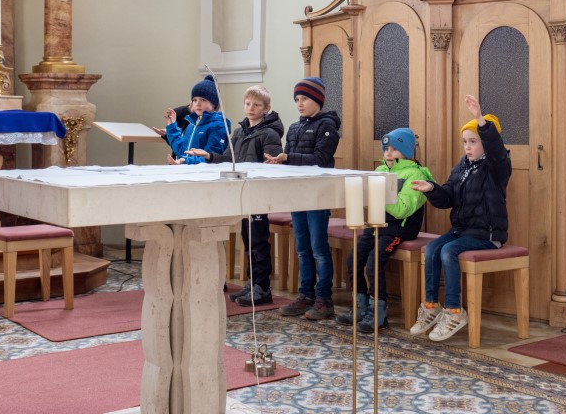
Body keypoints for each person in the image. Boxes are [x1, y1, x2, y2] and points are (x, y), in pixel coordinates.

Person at [409, 95, 511, 341]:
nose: (468, 147)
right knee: (432, 248)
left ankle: (455, 310)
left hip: (487, 235)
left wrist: (480, 120)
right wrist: (432, 189)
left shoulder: (497, 167)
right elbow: (448, 197)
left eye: (473, 141)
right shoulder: (462, 167)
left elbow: (496, 150)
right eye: (465, 142)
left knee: (448, 251)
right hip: (463, 231)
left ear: (486, 142)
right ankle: (431, 306)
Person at [185, 85, 284, 306]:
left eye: (256, 105)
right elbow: (229, 159)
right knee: (248, 240)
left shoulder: (270, 134)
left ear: (266, 108)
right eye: (247, 103)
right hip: (242, 194)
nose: (251, 108)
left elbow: (274, 162)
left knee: (258, 241)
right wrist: (209, 156)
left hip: (258, 194)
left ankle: (262, 287)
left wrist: (273, 162)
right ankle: (251, 283)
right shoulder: (239, 133)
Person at [335, 127, 434, 332]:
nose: (388, 153)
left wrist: (377, 195)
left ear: (406, 151)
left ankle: (378, 312)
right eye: (386, 149)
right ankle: (360, 306)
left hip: (398, 229)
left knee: (373, 263)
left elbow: (402, 210)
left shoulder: (415, 174)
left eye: (394, 149)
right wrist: (361, 197)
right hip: (375, 226)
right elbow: (370, 204)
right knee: (353, 259)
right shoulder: (380, 170)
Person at [265, 76, 341, 320]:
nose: (299, 103)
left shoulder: (328, 127)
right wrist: (278, 162)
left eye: (304, 98)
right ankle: (305, 295)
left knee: (318, 248)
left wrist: (288, 158)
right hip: (297, 195)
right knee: (302, 248)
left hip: (317, 196)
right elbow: (291, 159)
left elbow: (320, 159)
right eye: (296, 99)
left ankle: (324, 299)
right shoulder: (294, 128)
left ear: (318, 100)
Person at [162, 75, 231, 165]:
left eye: (203, 100)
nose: (198, 104)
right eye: (194, 100)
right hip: (187, 170)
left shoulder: (218, 126)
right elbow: (182, 151)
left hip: (205, 173)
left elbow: (211, 158)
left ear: (214, 104)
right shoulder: (191, 125)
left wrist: (185, 161)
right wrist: (172, 127)